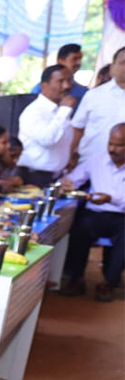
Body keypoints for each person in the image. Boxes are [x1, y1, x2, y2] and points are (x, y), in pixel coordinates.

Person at [58, 122, 125, 301]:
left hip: (121, 216)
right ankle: (76, 278)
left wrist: (111, 199)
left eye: (119, 145)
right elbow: (73, 179)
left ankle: (109, 283)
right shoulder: (96, 160)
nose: (113, 149)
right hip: (95, 213)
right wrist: (68, 183)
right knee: (79, 229)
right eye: (111, 143)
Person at [17, 64, 76, 187]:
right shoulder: (34, 112)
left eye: (69, 80)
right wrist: (64, 110)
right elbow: (47, 139)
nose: (67, 86)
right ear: (44, 86)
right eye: (60, 81)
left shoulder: (61, 111)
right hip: (34, 178)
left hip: (56, 177)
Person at [67, 46, 125, 172]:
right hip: (89, 167)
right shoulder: (94, 95)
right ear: (112, 68)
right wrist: (69, 157)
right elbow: (77, 129)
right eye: (123, 63)